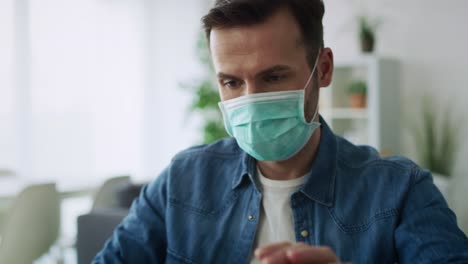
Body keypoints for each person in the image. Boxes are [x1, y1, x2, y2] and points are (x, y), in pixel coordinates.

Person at [94, 0, 468, 263]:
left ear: (322, 69)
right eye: (231, 82)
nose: (251, 101)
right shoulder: (182, 182)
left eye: (272, 77)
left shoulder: (400, 191)